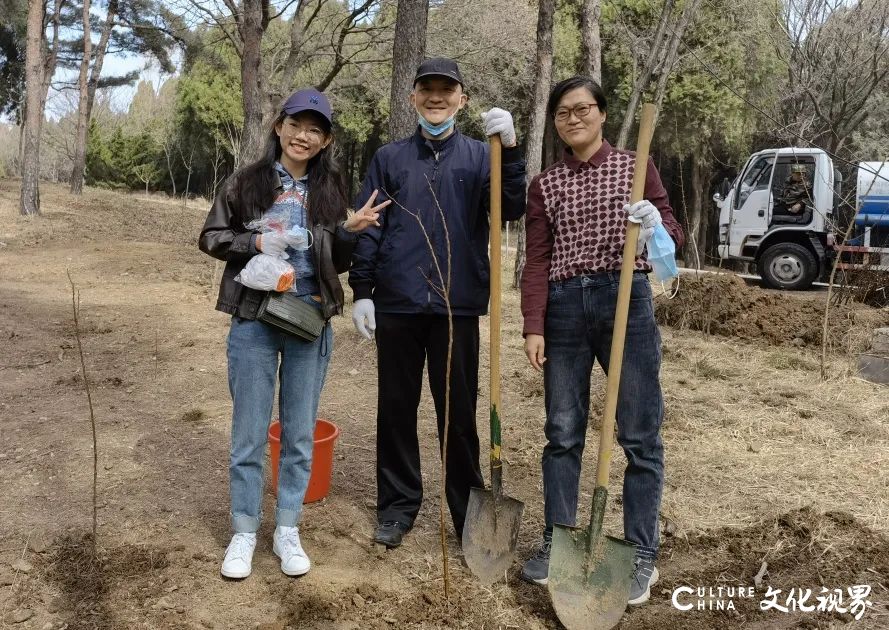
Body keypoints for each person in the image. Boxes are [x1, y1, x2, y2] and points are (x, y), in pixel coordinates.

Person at [199, 88, 390, 579]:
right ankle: (244, 530)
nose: (303, 136)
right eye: (295, 125)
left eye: (315, 130)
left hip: (308, 319)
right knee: (248, 433)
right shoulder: (245, 183)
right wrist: (255, 240)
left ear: (325, 140)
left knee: (299, 433)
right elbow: (212, 237)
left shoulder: (332, 191)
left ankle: (287, 527)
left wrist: (351, 232)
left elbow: (339, 262)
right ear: (279, 127)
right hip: (254, 320)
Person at [348, 58, 527, 548]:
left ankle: (467, 511)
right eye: (426, 89)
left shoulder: (479, 155)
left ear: (461, 100)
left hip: (458, 305)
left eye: (446, 91)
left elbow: (511, 207)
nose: (436, 98)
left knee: (458, 413)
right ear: (413, 98)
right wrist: (362, 290)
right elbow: (370, 224)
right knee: (397, 408)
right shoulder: (389, 158)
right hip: (398, 303)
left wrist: (509, 152)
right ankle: (398, 506)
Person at [519, 76, 684, 605]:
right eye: (563, 113)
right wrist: (534, 325)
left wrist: (656, 222)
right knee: (562, 430)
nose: (574, 119)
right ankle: (559, 539)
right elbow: (538, 261)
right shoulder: (545, 185)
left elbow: (674, 237)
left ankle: (640, 552)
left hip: (626, 298)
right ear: (556, 123)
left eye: (583, 108)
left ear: (602, 114)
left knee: (639, 431)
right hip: (566, 304)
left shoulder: (638, 168)